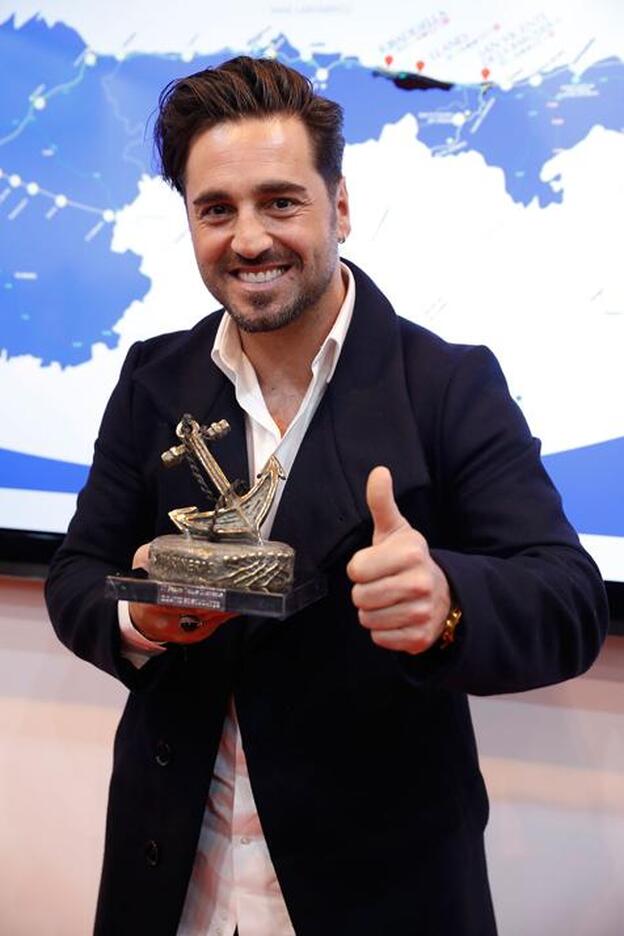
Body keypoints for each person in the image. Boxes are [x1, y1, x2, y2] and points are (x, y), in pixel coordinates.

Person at [45, 56, 608, 936]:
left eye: (280, 201)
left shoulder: (447, 384)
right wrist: (137, 618)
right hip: (171, 886)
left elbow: (569, 601)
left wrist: (447, 604)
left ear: (338, 206)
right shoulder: (153, 377)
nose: (249, 238)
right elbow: (77, 573)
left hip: (377, 893)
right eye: (215, 210)